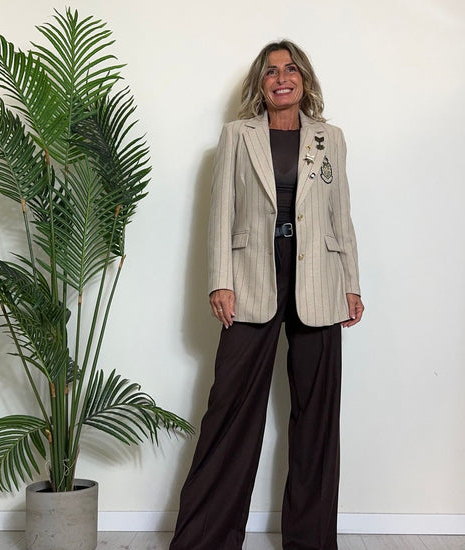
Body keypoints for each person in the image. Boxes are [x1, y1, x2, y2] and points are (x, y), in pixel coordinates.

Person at [169, 40, 364, 550]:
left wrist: (351, 284)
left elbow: (340, 215)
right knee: (230, 411)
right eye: (271, 71)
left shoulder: (330, 137)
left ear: (304, 80)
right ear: (260, 83)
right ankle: (205, 541)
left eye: (291, 69)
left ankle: (311, 541)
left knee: (317, 418)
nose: (282, 78)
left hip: (319, 278)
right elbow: (220, 212)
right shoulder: (237, 135)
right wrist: (220, 279)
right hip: (253, 275)